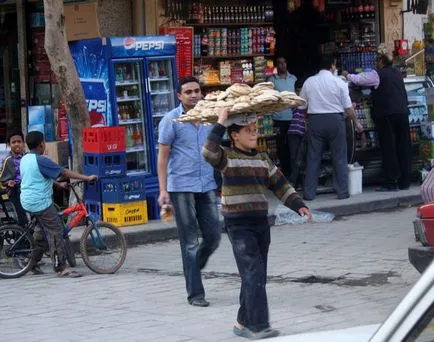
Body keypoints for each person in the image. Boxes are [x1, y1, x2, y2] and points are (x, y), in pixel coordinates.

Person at [202, 108, 312, 340]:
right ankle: (258, 326)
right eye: (248, 131)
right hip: (238, 225)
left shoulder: (263, 159)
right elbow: (207, 152)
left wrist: (298, 204)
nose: (254, 134)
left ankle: (243, 322)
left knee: (255, 273)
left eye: (255, 130)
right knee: (253, 272)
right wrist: (221, 121)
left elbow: (280, 184)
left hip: (260, 223)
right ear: (234, 136)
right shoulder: (226, 157)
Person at [157, 76, 221, 307]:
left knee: (214, 235)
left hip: (207, 184)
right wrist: (162, 190)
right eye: (189, 92)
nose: (194, 95)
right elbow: (162, 158)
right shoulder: (171, 120)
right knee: (190, 241)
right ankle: (196, 294)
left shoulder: (209, 118)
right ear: (179, 96)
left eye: (197, 91)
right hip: (181, 186)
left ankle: (193, 265)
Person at [20, 131, 97, 277]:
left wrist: (59, 186)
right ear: (42, 144)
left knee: (42, 235)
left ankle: (30, 261)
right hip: (39, 202)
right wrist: (86, 178)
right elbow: (64, 172)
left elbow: (42, 175)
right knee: (56, 231)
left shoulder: (26, 158)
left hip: (27, 200)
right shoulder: (41, 160)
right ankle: (60, 268)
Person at [300, 55, 364, 200]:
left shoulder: (309, 82)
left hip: (315, 120)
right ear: (333, 66)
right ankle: (342, 192)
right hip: (336, 120)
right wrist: (357, 123)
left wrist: (306, 120)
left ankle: (309, 193)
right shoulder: (339, 82)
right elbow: (348, 107)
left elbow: (301, 105)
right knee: (339, 157)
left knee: (313, 157)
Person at [344, 54, 411, 191]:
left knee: (389, 148)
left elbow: (359, 80)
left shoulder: (377, 74)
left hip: (387, 115)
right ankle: (405, 182)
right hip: (403, 113)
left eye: (376, 61)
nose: (375, 64)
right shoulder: (397, 73)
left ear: (381, 62)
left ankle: (390, 183)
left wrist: (347, 75)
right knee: (403, 148)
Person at [268, 56, 297, 177]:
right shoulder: (271, 80)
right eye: (279, 63)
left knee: (293, 146)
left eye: (284, 62)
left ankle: (294, 171)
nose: (282, 65)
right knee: (280, 146)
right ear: (276, 65)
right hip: (278, 119)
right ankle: (285, 171)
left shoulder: (293, 79)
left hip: (292, 118)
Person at [0, 130, 28, 227]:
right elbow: (3, 180)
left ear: (23, 143)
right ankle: (23, 238)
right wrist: (8, 182)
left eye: (19, 142)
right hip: (16, 192)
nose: (17, 144)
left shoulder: (27, 157)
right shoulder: (8, 160)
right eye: (13, 142)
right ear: (9, 145)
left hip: (29, 190)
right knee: (22, 217)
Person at [287, 78, 307, 188]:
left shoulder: (307, 101)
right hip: (294, 132)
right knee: (294, 157)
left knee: (301, 157)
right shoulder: (295, 102)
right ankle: (294, 181)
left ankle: (298, 181)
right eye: (299, 91)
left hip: (303, 132)